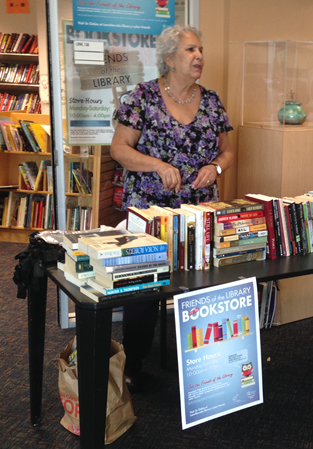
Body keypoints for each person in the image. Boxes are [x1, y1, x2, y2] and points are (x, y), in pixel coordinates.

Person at [110, 24, 234, 392]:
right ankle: (134, 361)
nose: (199, 57)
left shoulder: (211, 101)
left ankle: (203, 362)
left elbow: (227, 151)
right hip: (150, 213)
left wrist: (217, 167)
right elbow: (119, 149)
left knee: (200, 287)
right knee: (144, 294)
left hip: (198, 212)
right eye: (190, 51)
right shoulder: (142, 98)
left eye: (200, 50)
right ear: (169, 59)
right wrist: (159, 166)